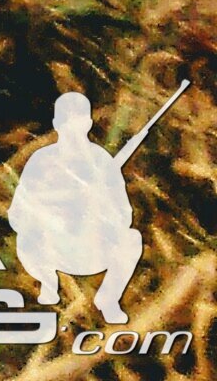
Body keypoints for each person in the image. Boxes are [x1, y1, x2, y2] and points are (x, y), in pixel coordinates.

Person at [8, 92, 142, 322]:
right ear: (56, 125)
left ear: (88, 124)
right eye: (67, 126)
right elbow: (18, 212)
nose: (73, 135)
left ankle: (108, 299)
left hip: (93, 246)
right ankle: (49, 287)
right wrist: (54, 211)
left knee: (132, 240)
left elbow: (124, 214)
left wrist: (101, 206)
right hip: (51, 248)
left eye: (79, 126)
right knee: (28, 238)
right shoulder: (42, 161)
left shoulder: (102, 161)